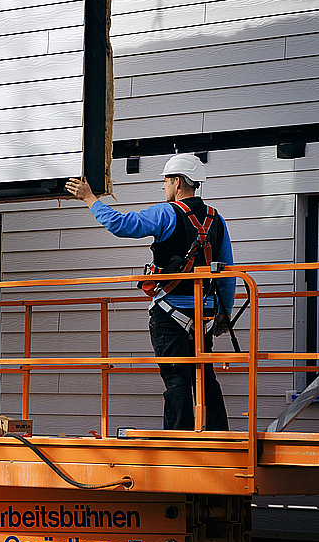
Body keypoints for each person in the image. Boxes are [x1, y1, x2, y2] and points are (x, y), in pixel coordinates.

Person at [66, 154, 234, 430]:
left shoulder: (167, 213)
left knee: (176, 376)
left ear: (178, 181)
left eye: (166, 180)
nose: (163, 186)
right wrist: (223, 313)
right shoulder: (216, 220)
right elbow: (225, 271)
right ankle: (218, 433)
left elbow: (122, 225)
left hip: (170, 313)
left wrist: (89, 199)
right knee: (204, 375)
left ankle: (178, 438)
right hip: (204, 313)